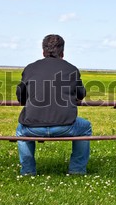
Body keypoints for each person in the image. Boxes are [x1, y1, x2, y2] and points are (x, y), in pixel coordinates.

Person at [16, 34, 92, 176]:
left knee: (21, 130)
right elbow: (81, 94)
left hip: (32, 127)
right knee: (85, 127)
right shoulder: (72, 69)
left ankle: (27, 171)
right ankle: (77, 170)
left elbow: (20, 96)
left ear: (43, 51)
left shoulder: (30, 68)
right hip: (66, 126)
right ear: (62, 52)